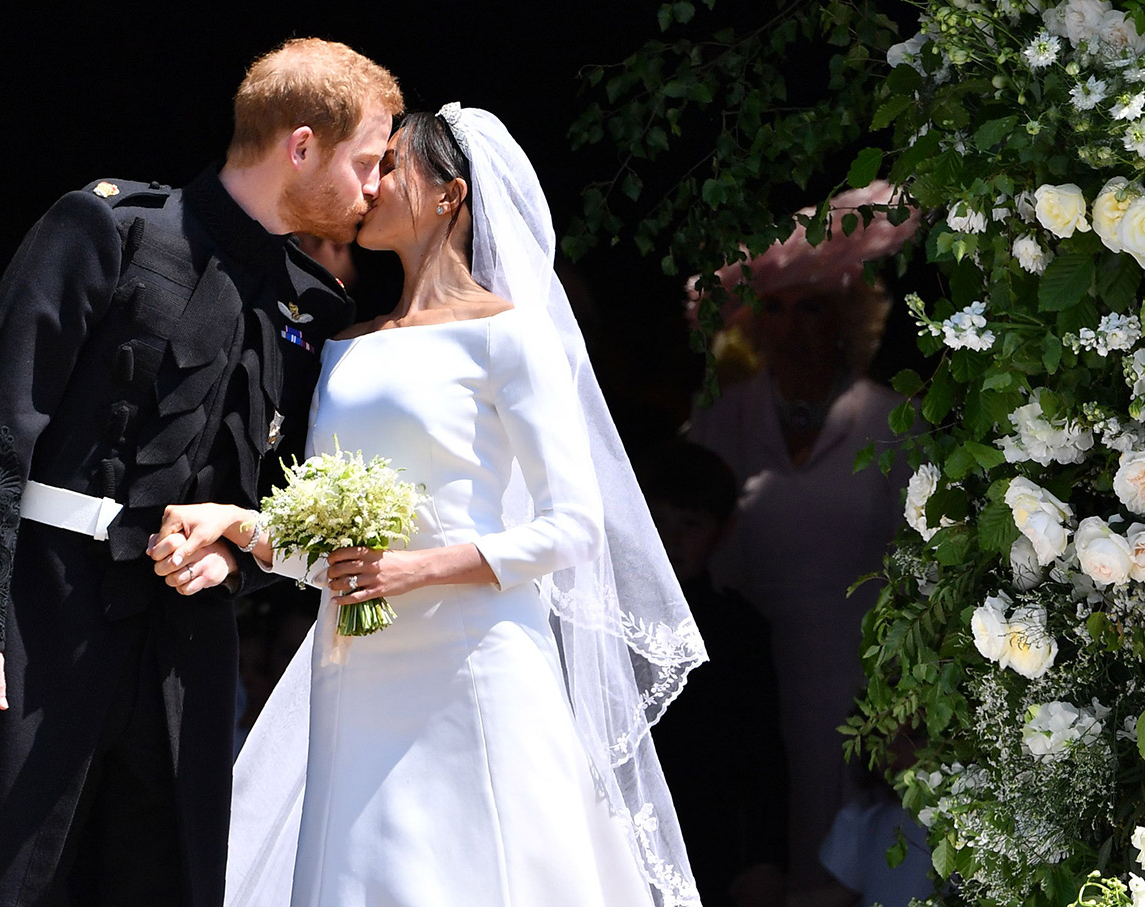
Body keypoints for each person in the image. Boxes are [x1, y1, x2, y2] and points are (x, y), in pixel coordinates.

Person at [0, 39, 402, 907]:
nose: (375, 190)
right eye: (367, 163)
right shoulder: (108, 228)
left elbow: (278, 498)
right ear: (302, 146)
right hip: (38, 621)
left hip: (182, 666)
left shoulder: (311, 307)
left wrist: (235, 554)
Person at [151, 105, 706, 907]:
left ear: (450, 196)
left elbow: (573, 525)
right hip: (357, 671)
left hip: (472, 664)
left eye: (392, 168)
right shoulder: (346, 343)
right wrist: (239, 524)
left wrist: (417, 568)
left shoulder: (508, 336)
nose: (369, 186)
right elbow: (335, 547)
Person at [685, 183, 918, 890]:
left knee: (842, 859)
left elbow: (926, 565)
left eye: (810, 306)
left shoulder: (893, 420)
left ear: (846, 317)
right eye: (775, 308)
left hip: (857, 680)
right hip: (746, 674)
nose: (790, 326)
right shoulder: (722, 418)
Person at [637, 439, 790, 907]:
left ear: (722, 531)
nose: (672, 539)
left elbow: (765, 755)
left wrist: (766, 859)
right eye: (659, 522)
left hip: (710, 843)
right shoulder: (605, 625)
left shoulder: (738, 629)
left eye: (690, 524)